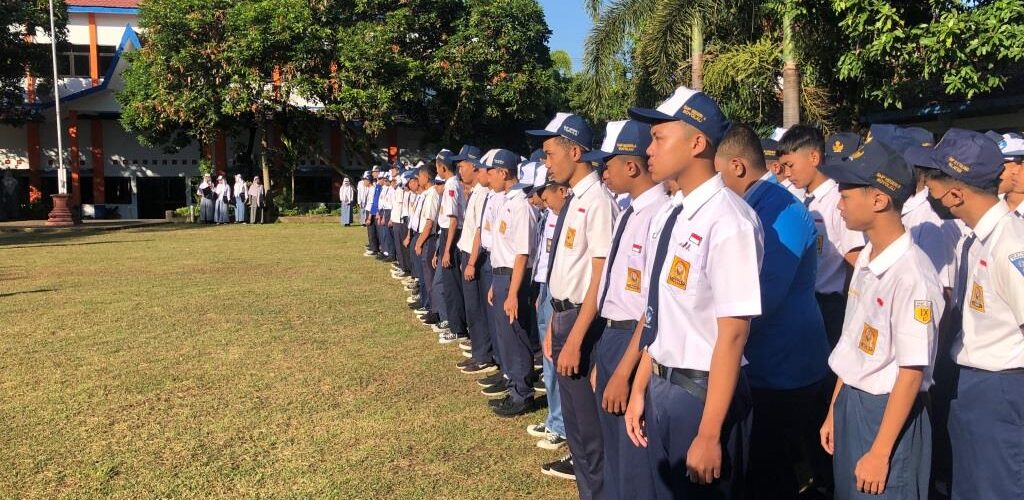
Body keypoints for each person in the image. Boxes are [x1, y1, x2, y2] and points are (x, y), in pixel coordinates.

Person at [624, 86, 762, 499]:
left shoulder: (729, 221)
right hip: (663, 387)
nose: (649, 148)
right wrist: (640, 388)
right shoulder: (674, 214)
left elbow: (734, 333)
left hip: (701, 397)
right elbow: (661, 314)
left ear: (698, 142)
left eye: (659, 137)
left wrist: (708, 433)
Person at [815, 138, 944, 500]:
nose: (838, 205)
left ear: (878, 199)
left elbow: (911, 370)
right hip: (853, 403)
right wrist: (835, 409)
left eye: (845, 194)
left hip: (886, 415)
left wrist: (880, 451)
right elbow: (852, 343)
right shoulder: (869, 258)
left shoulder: (912, 274)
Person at [716, 124, 832, 499]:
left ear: (736, 167)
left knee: (772, 471)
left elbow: (763, 297)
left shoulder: (783, 210)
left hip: (785, 367)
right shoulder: (753, 204)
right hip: (764, 362)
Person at [909, 128, 1024, 500]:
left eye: (934, 183)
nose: (929, 191)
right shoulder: (973, 240)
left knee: (999, 487)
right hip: (974, 385)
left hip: (1001, 388)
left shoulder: (1010, 246)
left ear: (956, 193)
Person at [528, 112, 617, 500]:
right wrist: (554, 325)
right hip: (564, 316)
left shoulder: (597, 201)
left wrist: (577, 335)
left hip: (585, 322)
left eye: (549, 154)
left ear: (575, 151)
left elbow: (601, 276)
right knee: (578, 431)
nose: (546, 163)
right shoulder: (575, 200)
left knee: (589, 431)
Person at [583, 119, 666, 500]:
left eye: (608, 164)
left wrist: (625, 370)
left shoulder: (659, 216)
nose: (604, 173)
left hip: (637, 343)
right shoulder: (629, 211)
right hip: (615, 335)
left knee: (634, 458)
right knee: (614, 450)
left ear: (631, 166)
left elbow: (653, 308)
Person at [779, 125, 865, 347]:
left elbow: (854, 259)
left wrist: (852, 310)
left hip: (830, 304)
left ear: (814, 157)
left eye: (791, 165)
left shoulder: (837, 200)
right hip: (805, 300)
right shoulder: (799, 198)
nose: (787, 173)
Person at [481, 149, 539, 417]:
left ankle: (522, 394)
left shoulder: (520, 205)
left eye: (490, 171)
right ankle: (513, 385)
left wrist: (513, 292)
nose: (487, 176)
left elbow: (522, 253)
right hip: (502, 274)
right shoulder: (505, 201)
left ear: (504, 172)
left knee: (516, 336)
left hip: (515, 277)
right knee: (505, 335)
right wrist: (497, 282)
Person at [455, 147, 498, 376]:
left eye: (463, 165)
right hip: (469, 253)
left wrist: (471, 261)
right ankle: (479, 350)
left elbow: (481, 231)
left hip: (477, 256)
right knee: (472, 307)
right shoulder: (476, 191)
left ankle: (483, 355)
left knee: (478, 308)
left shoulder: (483, 194)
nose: (460, 170)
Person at [436, 146, 474, 344]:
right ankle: (457, 324)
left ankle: (457, 328)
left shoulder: (451, 185)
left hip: (451, 235)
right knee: (453, 285)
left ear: (442, 167)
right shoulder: (456, 183)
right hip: (453, 234)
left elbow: (452, 220)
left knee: (452, 286)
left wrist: (447, 250)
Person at [414, 157, 444, 329]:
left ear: (426, 177)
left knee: (430, 276)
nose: (418, 179)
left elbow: (429, 222)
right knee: (425, 274)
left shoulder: (432, 194)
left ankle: (436, 310)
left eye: (420, 176)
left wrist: (420, 241)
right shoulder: (427, 194)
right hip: (424, 237)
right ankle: (430, 306)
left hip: (429, 238)